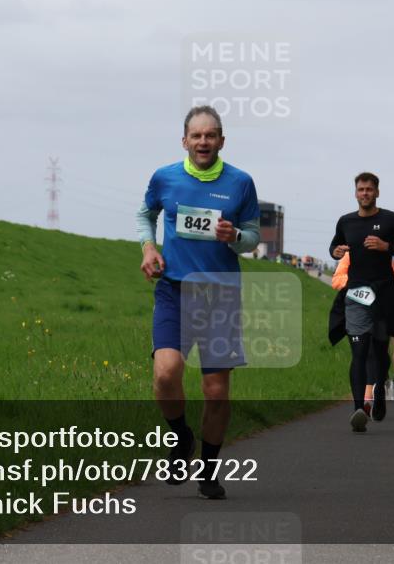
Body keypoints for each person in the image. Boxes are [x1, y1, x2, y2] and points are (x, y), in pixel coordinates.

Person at [137, 105, 261, 500]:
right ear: (185, 140)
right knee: (166, 372)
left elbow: (255, 236)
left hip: (220, 293)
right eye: (196, 135)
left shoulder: (241, 183)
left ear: (221, 141)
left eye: (211, 135)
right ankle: (180, 438)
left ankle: (208, 470)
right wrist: (148, 248)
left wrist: (235, 236)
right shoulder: (165, 177)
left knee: (215, 390)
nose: (203, 142)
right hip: (173, 288)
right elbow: (146, 214)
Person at [330, 172, 394, 432]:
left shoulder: (391, 219)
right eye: (360, 189)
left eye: (369, 189)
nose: (365, 193)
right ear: (355, 193)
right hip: (356, 293)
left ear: (377, 192)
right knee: (358, 351)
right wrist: (335, 251)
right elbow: (334, 246)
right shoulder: (346, 222)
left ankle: (379, 392)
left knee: (379, 352)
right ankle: (358, 409)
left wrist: (386, 246)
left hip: (384, 294)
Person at [332, 251, 394, 406]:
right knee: (365, 352)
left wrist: (378, 286)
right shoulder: (351, 255)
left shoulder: (386, 257)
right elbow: (336, 280)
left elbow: (393, 278)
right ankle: (367, 399)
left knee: (380, 350)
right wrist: (357, 282)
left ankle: (379, 384)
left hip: (381, 309)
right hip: (357, 310)